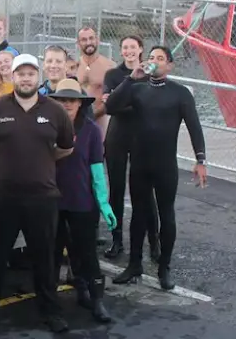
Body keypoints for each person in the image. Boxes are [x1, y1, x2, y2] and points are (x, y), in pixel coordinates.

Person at [0, 54, 73, 333]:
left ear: (37, 77)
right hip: (2, 196)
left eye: (30, 74)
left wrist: (42, 161)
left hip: (42, 197)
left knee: (44, 258)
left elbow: (66, 147)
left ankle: (51, 311)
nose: (25, 78)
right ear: (12, 77)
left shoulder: (55, 111)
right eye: (20, 74)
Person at [107, 46, 208, 290]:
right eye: (151, 57)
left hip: (165, 165)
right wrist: (132, 78)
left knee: (166, 215)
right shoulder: (138, 88)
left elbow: (194, 126)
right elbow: (111, 107)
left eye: (160, 59)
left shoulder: (180, 93)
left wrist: (200, 160)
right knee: (139, 215)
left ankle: (164, 268)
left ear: (170, 66)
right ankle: (134, 265)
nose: (154, 62)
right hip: (140, 162)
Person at [49, 78, 116, 323]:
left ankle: (96, 299)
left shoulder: (91, 130)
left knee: (87, 253)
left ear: (80, 103)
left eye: (71, 100)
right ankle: (51, 302)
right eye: (62, 100)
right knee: (53, 254)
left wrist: (104, 202)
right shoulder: (47, 127)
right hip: (52, 201)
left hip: (82, 202)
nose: (67, 104)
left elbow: (97, 170)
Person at [102, 35, 160, 260]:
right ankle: (117, 240)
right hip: (117, 136)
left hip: (141, 138)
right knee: (115, 190)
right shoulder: (112, 75)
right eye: (125, 47)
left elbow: (150, 106)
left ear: (141, 49)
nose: (129, 51)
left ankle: (154, 241)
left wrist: (122, 103)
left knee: (146, 192)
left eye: (133, 47)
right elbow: (109, 106)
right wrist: (129, 104)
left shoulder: (150, 75)